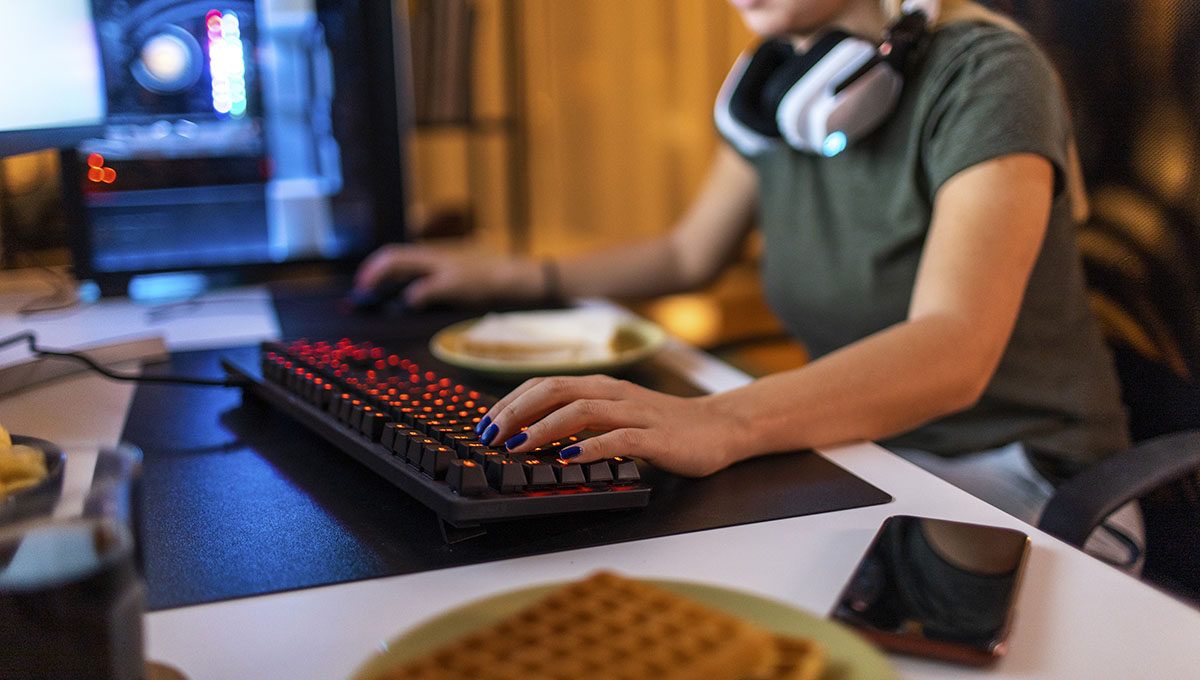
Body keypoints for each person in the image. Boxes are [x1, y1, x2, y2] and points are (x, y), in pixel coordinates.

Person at [356, 0, 1141, 566]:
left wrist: (720, 421)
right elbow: (685, 255)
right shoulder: (780, 92)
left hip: (1030, 484)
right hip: (870, 457)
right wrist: (510, 275)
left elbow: (954, 349)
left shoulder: (989, 72)